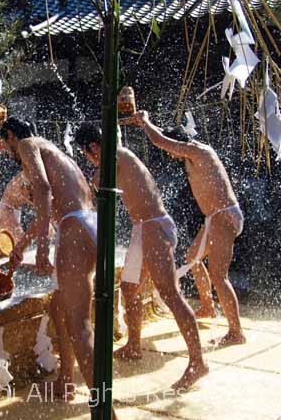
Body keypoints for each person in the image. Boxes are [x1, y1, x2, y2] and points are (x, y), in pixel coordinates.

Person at [75, 121, 208, 392]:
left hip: (154, 226)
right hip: (143, 228)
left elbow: (94, 186)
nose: (89, 158)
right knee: (129, 289)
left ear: (93, 147)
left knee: (171, 294)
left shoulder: (117, 154)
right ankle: (134, 345)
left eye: (86, 153)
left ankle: (198, 362)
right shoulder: (114, 157)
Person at [0, 117, 118, 420]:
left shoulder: (27, 145)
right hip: (90, 224)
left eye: (5, 144)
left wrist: (41, 246)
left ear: (11, 135)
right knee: (58, 305)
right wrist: (20, 247)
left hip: (75, 227)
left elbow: (42, 191)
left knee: (79, 325)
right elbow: (48, 208)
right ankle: (66, 380)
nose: (8, 151)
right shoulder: (52, 151)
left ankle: (106, 413)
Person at [137, 111, 245, 346]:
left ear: (181, 145)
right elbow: (165, 140)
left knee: (219, 276)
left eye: (173, 151)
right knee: (192, 259)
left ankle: (236, 332)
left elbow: (160, 141)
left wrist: (144, 122)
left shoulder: (198, 150)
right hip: (214, 219)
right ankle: (208, 306)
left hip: (223, 217)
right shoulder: (190, 155)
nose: (171, 155)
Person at [0, 171, 34, 243]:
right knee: (21, 243)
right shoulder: (27, 176)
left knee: (19, 245)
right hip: (6, 210)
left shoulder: (32, 174)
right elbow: (32, 199)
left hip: (15, 210)